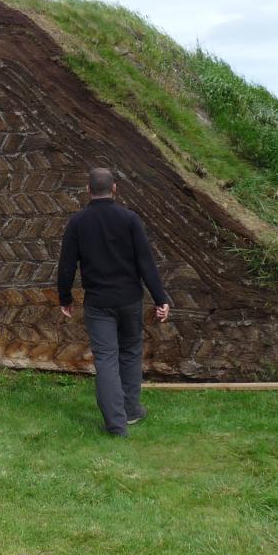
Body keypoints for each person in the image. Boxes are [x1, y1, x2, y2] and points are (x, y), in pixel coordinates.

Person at [57, 167, 171, 437]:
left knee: (106, 359)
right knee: (131, 353)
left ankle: (117, 425)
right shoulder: (129, 219)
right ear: (115, 188)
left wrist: (65, 298)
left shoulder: (78, 222)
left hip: (98, 303)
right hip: (130, 299)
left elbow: (66, 266)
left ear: (88, 190)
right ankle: (131, 411)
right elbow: (146, 262)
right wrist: (160, 298)